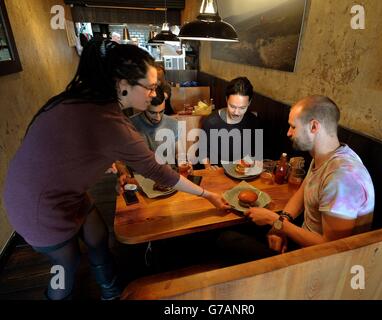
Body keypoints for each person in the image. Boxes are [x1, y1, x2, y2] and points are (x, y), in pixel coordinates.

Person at [3, 39, 229, 300]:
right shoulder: (109, 121)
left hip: (64, 191)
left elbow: (67, 147)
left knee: (98, 234)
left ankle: (109, 290)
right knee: (66, 267)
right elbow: (159, 171)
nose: (154, 94)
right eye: (150, 87)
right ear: (123, 86)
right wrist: (207, 195)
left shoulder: (86, 99)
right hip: (35, 206)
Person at [218, 95, 375, 262]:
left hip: (319, 263)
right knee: (236, 232)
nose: (288, 132)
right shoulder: (324, 156)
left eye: (293, 127)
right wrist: (279, 226)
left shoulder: (342, 177)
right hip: (304, 242)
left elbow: (331, 247)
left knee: (226, 241)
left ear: (314, 126)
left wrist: (273, 219)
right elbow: (302, 193)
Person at [200, 77, 262, 168]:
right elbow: (203, 153)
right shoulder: (211, 122)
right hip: (219, 172)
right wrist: (208, 167)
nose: (236, 112)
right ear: (226, 100)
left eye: (242, 108)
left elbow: (257, 153)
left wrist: (256, 161)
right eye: (232, 106)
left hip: (243, 171)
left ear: (249, 103)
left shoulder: (254, 122)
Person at [129, 84, 183, 164]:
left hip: (168, 173)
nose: (158, 118)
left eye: (161, 111)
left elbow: (180, 153)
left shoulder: (173, 123)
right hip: (139, 174)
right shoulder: (130, 124)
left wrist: (183, 161)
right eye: (152, 112)